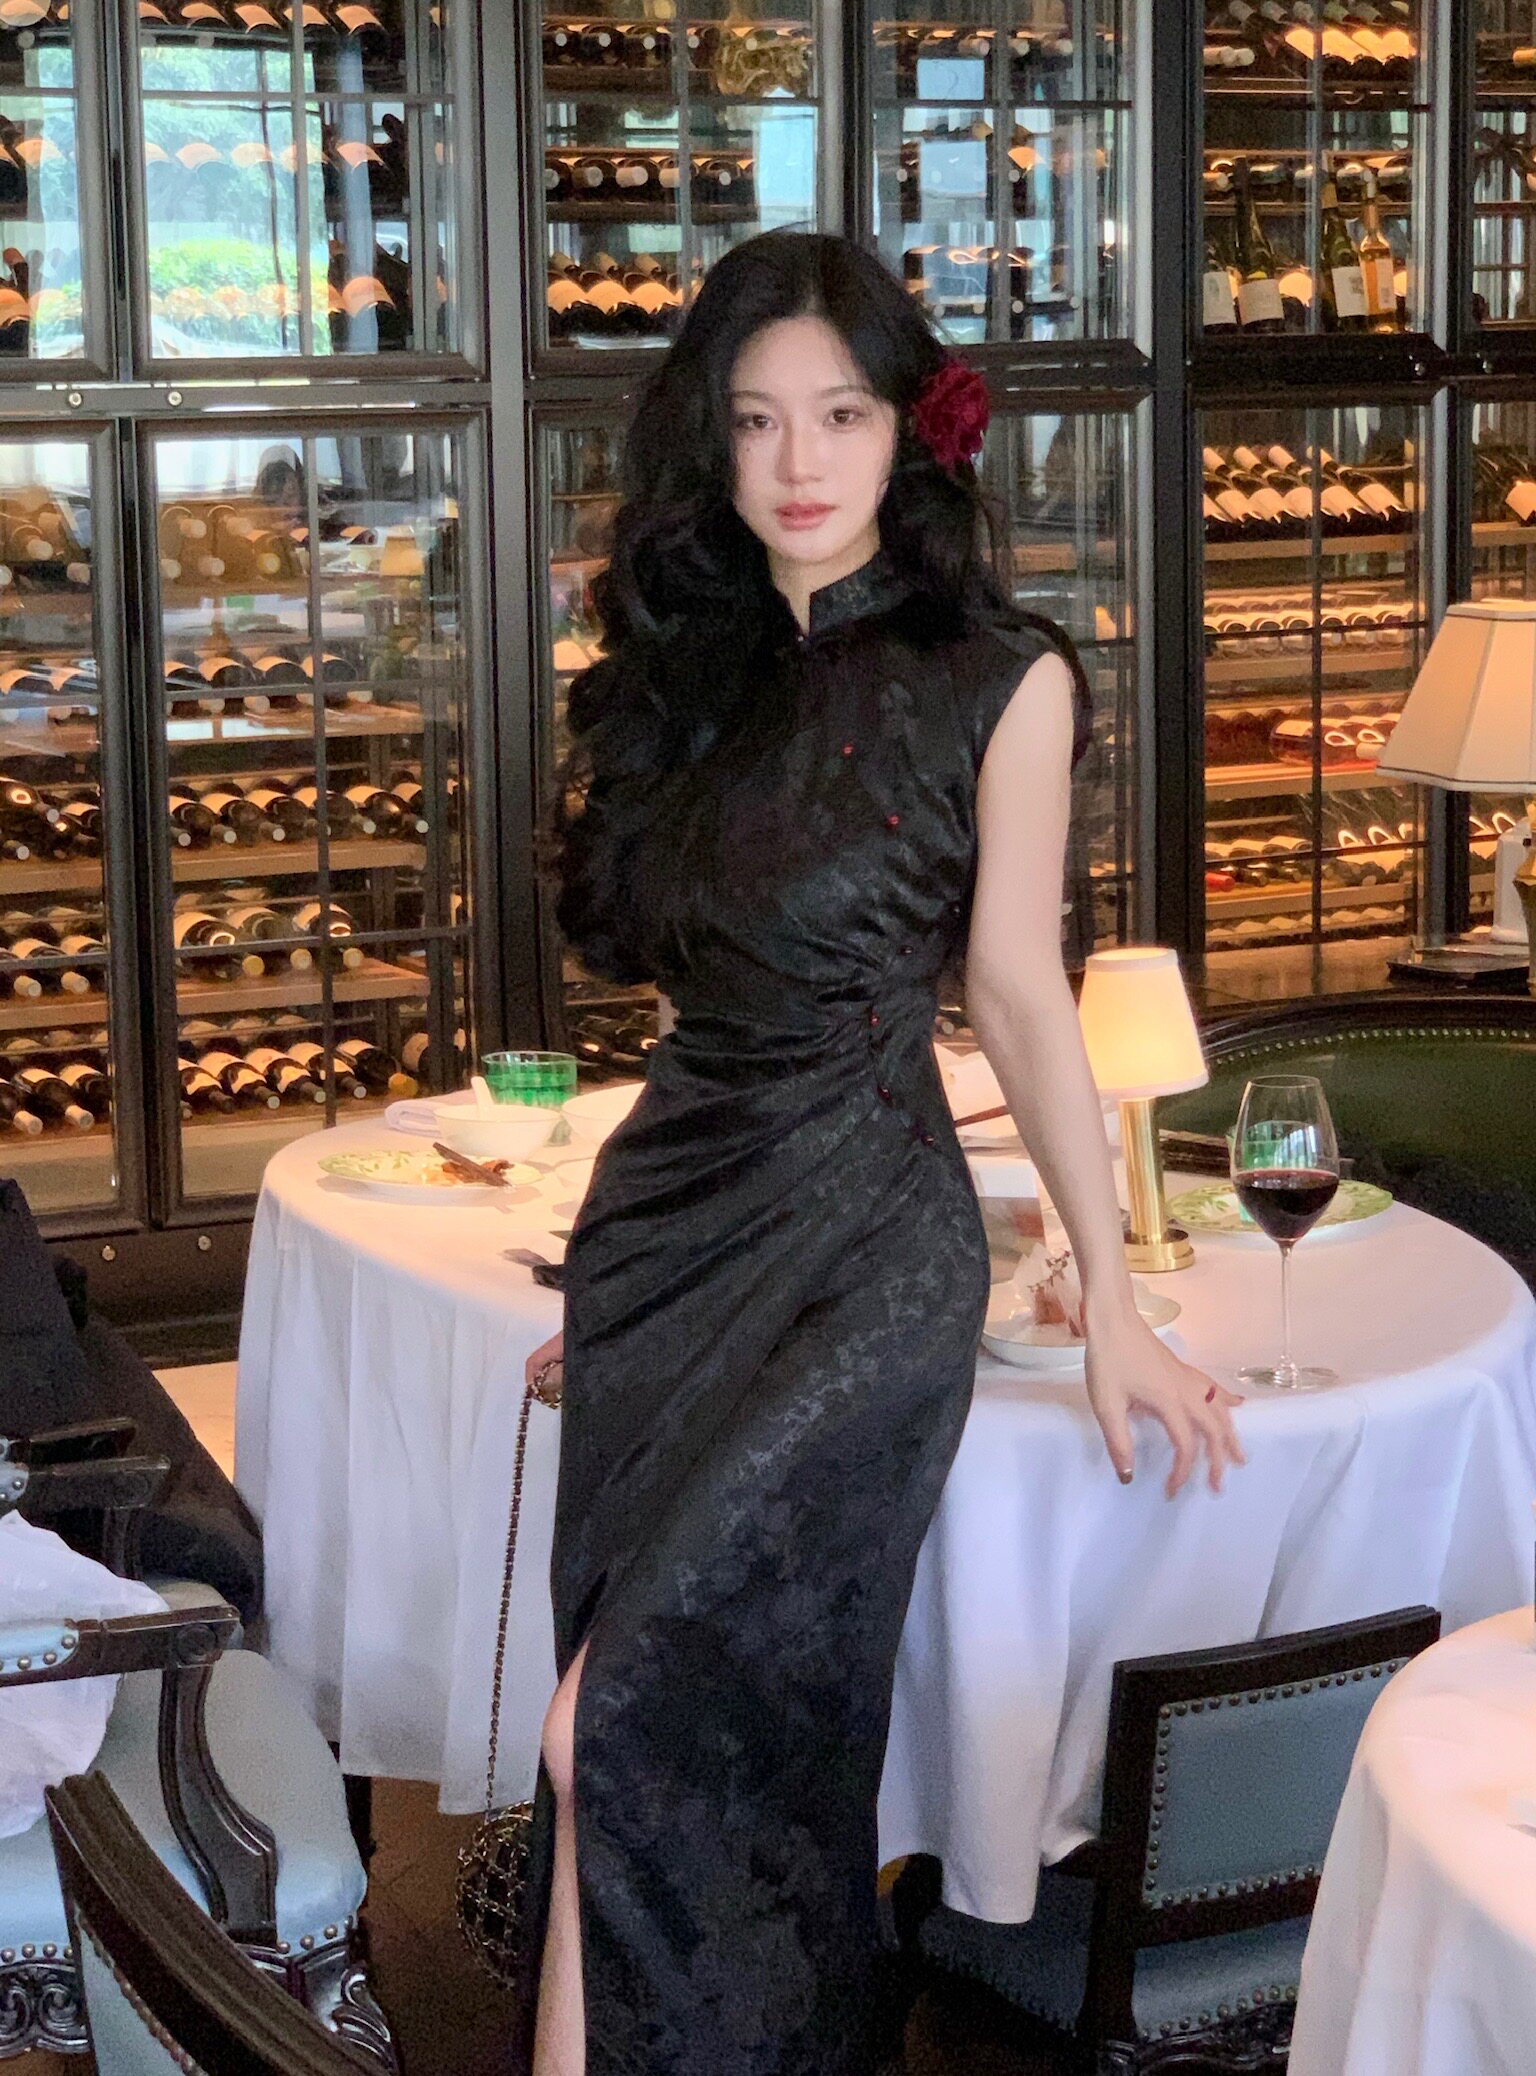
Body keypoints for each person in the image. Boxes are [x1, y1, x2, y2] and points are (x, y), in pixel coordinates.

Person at [519, 228, 1244, 2076]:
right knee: (644, 1752)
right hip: (666, 1237)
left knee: (616, 1727)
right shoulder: (684, 674)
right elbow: (694, 1013)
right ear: (710, 441)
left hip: (865, 1247)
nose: (798, 462)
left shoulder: (1004, 678)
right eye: (756, 420)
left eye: (839, 413)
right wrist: (607, 1288)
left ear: (910, 430)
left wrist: (1111, 1297)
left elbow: (1016, 994)